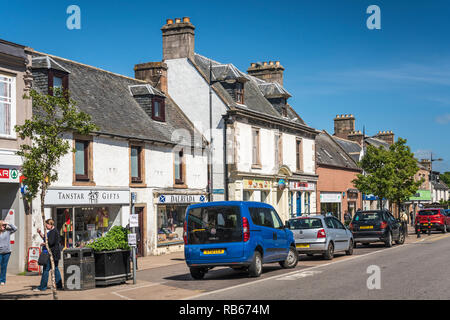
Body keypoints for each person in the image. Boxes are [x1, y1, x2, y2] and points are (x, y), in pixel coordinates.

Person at [33, 219, 63, 292]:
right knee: (55, 268)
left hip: (51, 253)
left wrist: (44, 244)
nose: (46, 227)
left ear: (50, 224)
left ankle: (42, 287)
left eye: (47, 225)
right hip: (54, 253)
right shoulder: (52, 231)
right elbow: (46, 239)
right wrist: (40, 233)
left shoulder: (53, 232)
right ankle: (59, 285)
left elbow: (50, 242)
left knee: (46, 269)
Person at [0, 220, 17, 286]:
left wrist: (8, 223)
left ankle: (2, 280)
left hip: (7, 252)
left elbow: (15, 228)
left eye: (4, 225)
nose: (4, 226)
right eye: (2, 225)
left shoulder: (8, 231)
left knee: (4, 266)